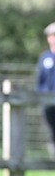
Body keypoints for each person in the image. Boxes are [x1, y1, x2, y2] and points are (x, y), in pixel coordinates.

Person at [38, 22, 55, 160]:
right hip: (48, 103)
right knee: (51, 131)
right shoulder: (45, 58)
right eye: (51, 36)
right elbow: (40, 80)